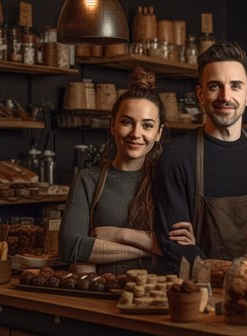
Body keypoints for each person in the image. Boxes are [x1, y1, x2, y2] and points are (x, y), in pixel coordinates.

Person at [154, 41, 247, 273]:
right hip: (201, 290)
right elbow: (176, 244)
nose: (226, 96)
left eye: (235, 86)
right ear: (200, 94)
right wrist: (233, 274)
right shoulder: (176, 156)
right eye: (215, 86)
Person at [59, 67, 173, 275]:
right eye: (127, 122)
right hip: (100, 295)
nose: (136, 133)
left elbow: (179, 246)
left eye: (147, 125)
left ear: (158, 133)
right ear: (113, 126)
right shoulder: (88, 180)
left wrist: (120, 234)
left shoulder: (168, 181)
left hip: (153, 295)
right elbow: (70, 247)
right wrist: (151, 248)